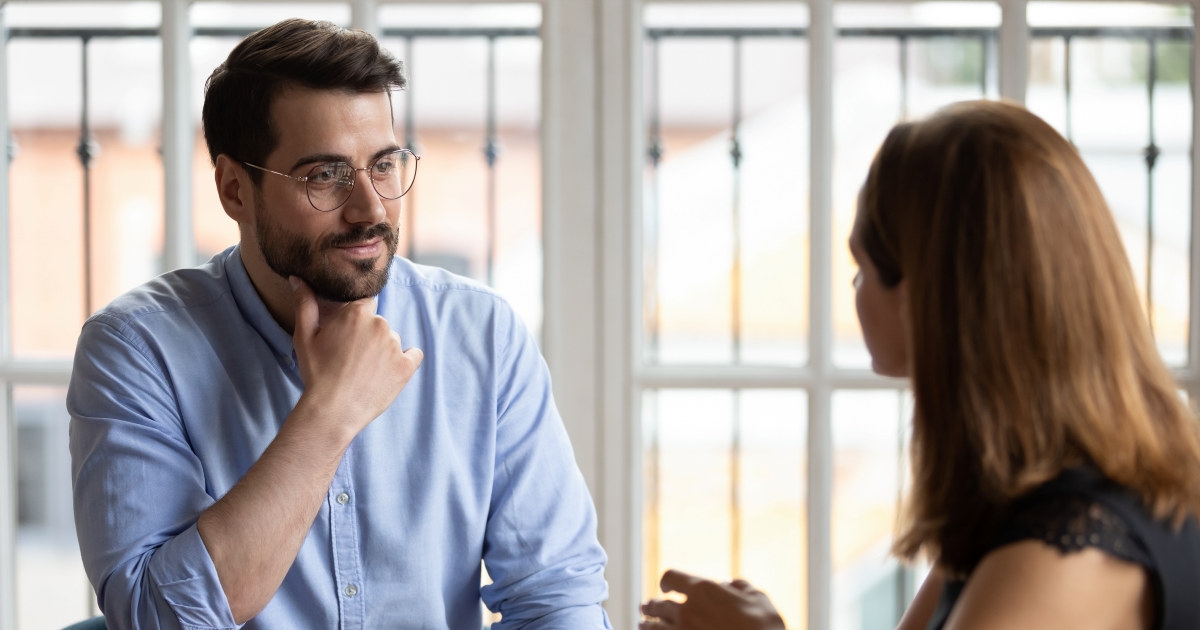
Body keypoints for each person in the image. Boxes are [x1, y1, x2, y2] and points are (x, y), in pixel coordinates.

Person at [68, 18, 611, 629]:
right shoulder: (137, 349)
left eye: (383, 165)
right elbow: (153, 618)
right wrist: (329, 415)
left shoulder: (480, 333)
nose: (370, 208)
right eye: (324, 175)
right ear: (233, 190)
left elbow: (556, 598)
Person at [640, 99, 1200, 630]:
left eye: (861, 267)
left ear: (925, 296)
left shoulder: (1063, 552)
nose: (854, 291)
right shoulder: (1025, 500)